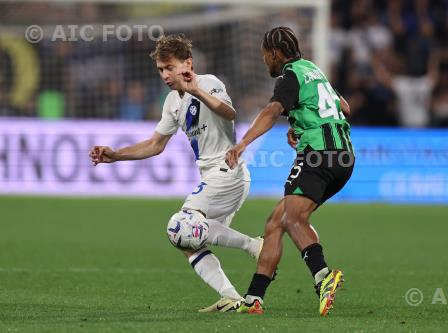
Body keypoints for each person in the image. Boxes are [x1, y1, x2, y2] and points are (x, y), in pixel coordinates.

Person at [89, 34, 262, 312]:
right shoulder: (171, 102)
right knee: (188, 242)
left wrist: (197, 92)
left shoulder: (209, 83)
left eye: (169, 67)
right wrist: (116, 155)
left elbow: (229, 113)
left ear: (187, 64)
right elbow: (156, 144)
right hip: (211, 176)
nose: (165, 74)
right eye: (161, 69)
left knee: (178, 225)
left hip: (227, 170)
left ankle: (254, 246)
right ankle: (233, 297)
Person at [225, 26, 355, 316]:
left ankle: (323, 276)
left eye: (264, 56)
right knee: (275, 222)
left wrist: (243, 142)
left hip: (319, 154)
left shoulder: (290, 74)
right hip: (344, 157)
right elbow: (344, 108)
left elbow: (272, 110)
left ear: (275, 54)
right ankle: (253, 299)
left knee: (291, 217)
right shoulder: (314, 71)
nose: (264, 61)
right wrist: (301, 124)